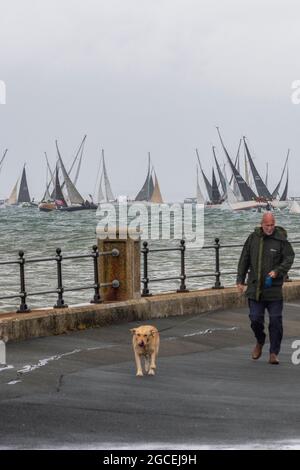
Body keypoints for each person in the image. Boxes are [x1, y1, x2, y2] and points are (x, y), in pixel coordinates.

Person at [236, 213, 295, 364]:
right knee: (255, 319)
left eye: (272, 225)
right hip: (255, 289)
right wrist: (240, 280)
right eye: (267, 225)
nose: (269, 228)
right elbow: (244, 259)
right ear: (261, 224)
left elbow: (289, 258)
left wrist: (278, 271)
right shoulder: (253, 238)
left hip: (273, 289)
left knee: (275, 321)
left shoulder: (281, 239)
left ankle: (274, 353)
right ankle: (260, 341)